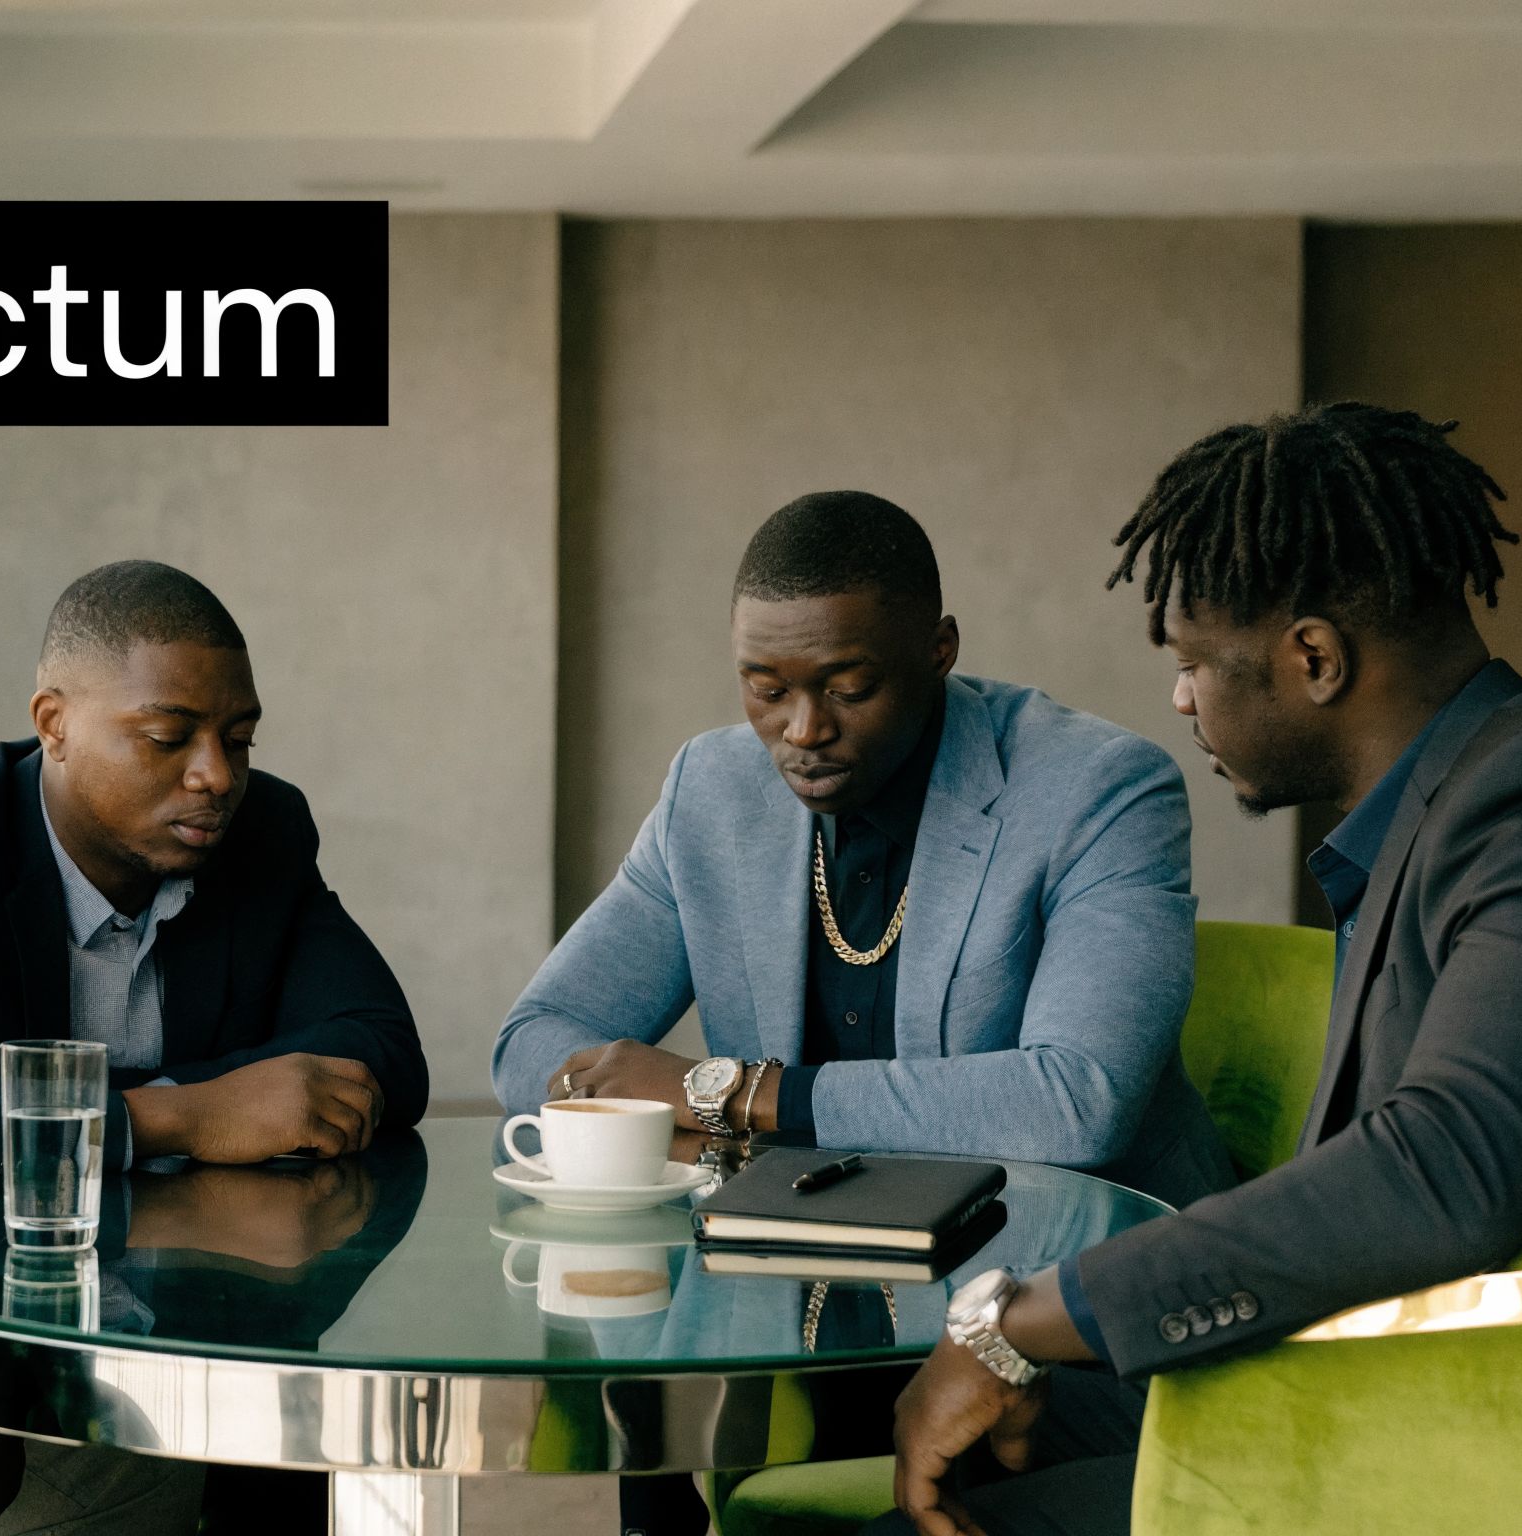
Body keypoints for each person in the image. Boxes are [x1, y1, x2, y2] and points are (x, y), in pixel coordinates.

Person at [882, 404, 1522, 1536]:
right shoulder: (1455, 811)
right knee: (948, 1437)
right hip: (1433, 1393)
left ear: (1314, 658)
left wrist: (1019, 1318)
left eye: (1192, 667)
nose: (1180, 699)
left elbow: (1443, 1166)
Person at [0, 558, 428, 1536]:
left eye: (239, 738)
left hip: (220, 1321)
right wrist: (179, 1116)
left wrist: (195, 1111)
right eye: (169, 738)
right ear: (54, 724)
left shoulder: (261, 834)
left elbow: (381, 1047)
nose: (217, 775)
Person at [495, 492, 1232, 1207]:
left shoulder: (1097, 788)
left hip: (1070, 1262)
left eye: (849, 688)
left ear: (938, 651)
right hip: (787, 1254)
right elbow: (534, 1041)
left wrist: (728, 1094)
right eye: (765, 689)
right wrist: (648, 1118)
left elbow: (1077, 1102)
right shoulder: (711, 792)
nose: (804, 729)